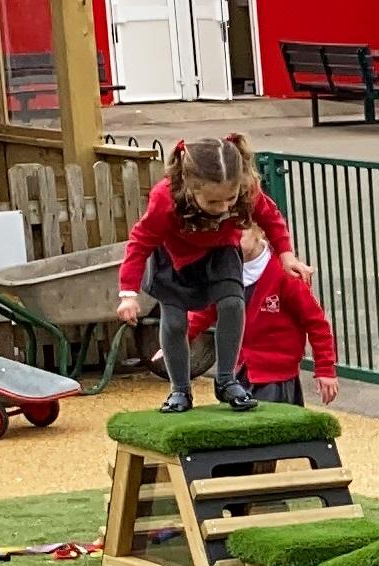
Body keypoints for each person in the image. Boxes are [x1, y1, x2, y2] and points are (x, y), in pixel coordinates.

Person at [114, 135, 308, 413]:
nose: (225, 208)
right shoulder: (165, 198)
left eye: (230, 199)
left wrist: (287, 254)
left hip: (220, 252)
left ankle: (227, 380)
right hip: (175, 259)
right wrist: (128, 293)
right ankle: (180, 390)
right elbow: (140, 242)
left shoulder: (245, 189)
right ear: (191, 188)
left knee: (232, 302)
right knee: (175, 321)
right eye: (214, 202)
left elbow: (270, 217)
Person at [185, 225, 337, 407]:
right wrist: (180, 336)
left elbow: (316, 323)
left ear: (260, 231)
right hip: (239, 371)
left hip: (275, 376)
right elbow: (205, 309)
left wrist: (325, 369)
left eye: (240, 233)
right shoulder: (226, 271)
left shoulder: (285, 274)